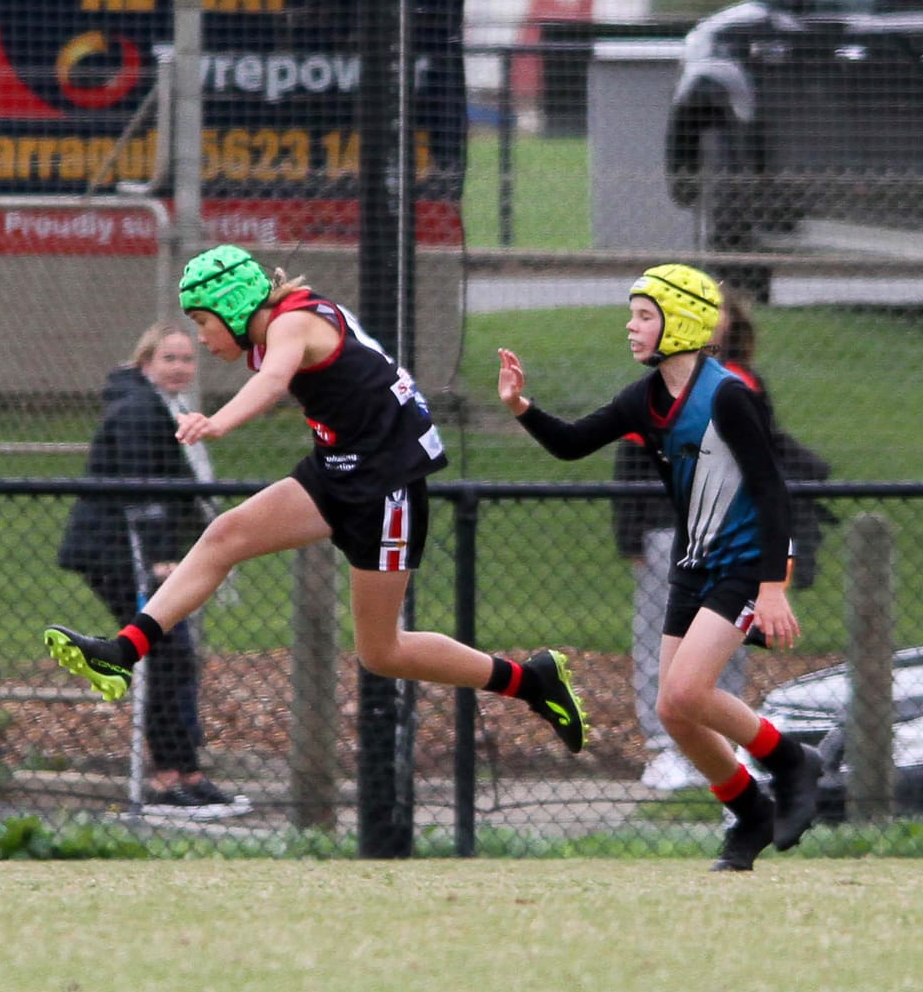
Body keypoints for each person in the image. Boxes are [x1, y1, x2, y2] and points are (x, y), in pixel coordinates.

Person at [44, 245, 591, 769]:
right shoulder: (282, 321)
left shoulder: (291, 323)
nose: (200, 337)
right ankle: (122, 651)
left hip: (385, 485)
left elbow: (276, 379)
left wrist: (217, 421)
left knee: (382, 652)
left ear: (233, 305)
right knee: (224, 537)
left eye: (202, 321)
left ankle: (531, 680)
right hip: (338, 468)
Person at [497, 263, 823, 871]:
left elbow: (774, 491)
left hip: (744, 563)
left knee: (685, 689)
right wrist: (522, 406)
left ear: (684, 323)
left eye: (645, 315)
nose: (632, 325)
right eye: (633, 313)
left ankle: (790, 760)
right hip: (693, 566)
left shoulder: (728, 395)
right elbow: (571, 443)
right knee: (675, 711)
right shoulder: (644, 399)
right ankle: (750, 809)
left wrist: (774, 586)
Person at [57, 322, 248, 818]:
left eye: (187, 359)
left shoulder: (170, 409)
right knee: (166, 653)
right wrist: (161, 559)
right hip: (119, 553)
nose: (181, 367)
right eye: (169, 359)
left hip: (144, 552)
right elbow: (145, 494)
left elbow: (178, 492)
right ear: (146, 364)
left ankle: (189, 774)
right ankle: (167, 781)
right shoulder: (139, 410)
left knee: (175, 656)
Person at [615, 296, 755, 792]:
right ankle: (665, 750)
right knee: (659, 639)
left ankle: (727, 749)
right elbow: (629, 461)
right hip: (664, 531)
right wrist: (629, 531)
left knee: (726, 647)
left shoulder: (743, 385)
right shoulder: (656, 389)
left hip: (727, 537)